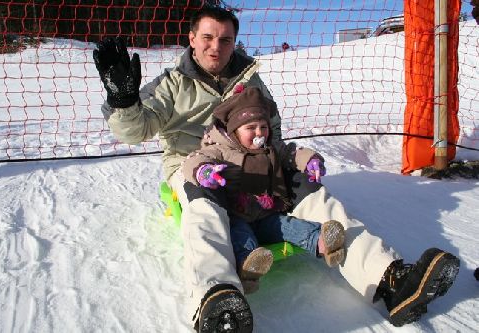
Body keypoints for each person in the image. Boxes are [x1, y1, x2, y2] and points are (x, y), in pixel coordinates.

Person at [92, 5, 460, 332]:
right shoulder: (173, 86)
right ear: (191, 39)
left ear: (235, 40)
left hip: (253, 158)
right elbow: (137, 130)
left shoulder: (248, 80)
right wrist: (123, 101)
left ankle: (388, 279)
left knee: (313, 195)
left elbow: (274, 129)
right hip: (196, 165)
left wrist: (284, 164)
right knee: (205, 208)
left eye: (225, 39)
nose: (215, 47)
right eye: (207, 37)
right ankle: (216, 297)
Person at [182, 86, 346, 294]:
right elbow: (194, 159)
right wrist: (204, 171)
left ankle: (323, 243)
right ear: (234, 130)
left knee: (287, 225)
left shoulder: (271, 148)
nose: (259, 133)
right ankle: (248, 269)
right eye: (251, 128)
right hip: (236, 216)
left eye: (263, 127)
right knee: (243, 238)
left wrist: (310, 160)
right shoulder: (221, 149)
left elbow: (292, 152)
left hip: (266, 213)